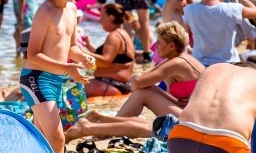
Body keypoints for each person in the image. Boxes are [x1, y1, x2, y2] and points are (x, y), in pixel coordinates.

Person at [65, 22, 203, 142]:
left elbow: (137, 83)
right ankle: (103, 124)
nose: (156, 47)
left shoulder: (177, 63)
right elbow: (144, 83)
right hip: (188, 111)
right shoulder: (180, 60)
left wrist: (136, 78)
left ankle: (98, 127)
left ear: (171, 45)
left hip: (195, 120)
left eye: (159, 43)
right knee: (145, 93)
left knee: (148, 126)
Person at [20, 0, 95, 153]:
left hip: (55, 80)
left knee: (41, 140)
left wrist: (83, 57)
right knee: (57, 138)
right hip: (35, 79)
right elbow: (33, 54)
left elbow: (70, 47)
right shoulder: (44, 12)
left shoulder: (71, 9)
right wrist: (67, 67)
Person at [184, 0, 256, 67]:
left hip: (201, 66)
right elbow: (254, 11)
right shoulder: (232, 9)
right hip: (229, 64)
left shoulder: (189, 10)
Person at [84, 3, 136, 98]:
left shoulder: (114, 36)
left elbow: (105, 61)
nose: (100, 20)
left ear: (111, 18)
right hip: (118, 85)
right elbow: (112, 56)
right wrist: (88, 46)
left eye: (102, 17)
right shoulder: (122, 33)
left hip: (112, 85)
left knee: (71, 89)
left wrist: (80, 52)